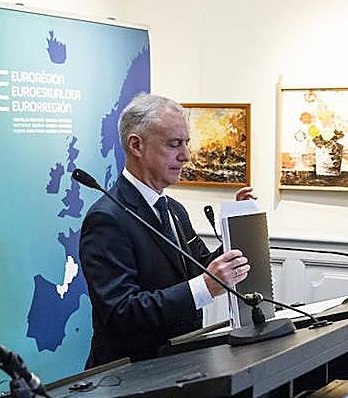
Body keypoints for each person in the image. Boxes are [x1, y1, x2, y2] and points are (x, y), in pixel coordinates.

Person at [80, 93, 254, 366]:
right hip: (132, 376)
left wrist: (237, 223)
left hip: (182, 363)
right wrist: (205, 287)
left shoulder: (173, 209)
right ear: (136, 145)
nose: (186, 156)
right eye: (174, 144)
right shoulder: (107, 219)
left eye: (186, 143)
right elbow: (121, 311)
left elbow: (199, 268)